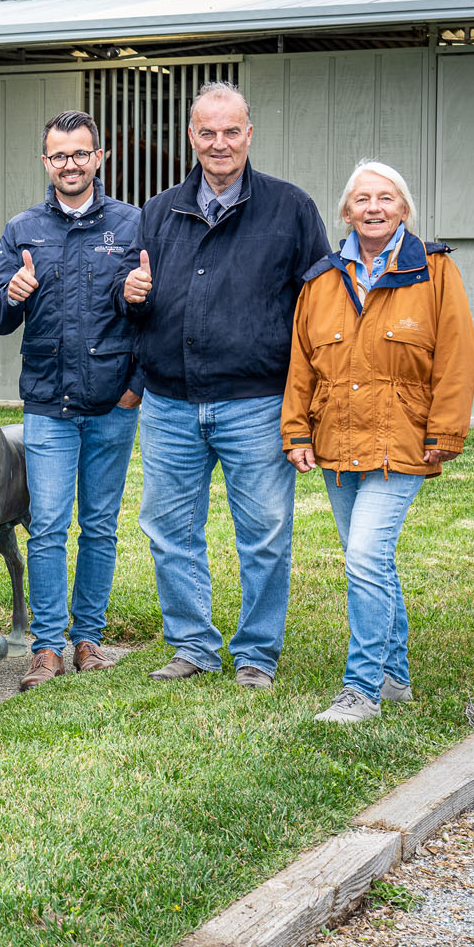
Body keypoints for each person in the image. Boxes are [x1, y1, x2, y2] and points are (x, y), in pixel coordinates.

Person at [119, 80, 330, 688]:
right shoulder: (158, 211)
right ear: (191, 136)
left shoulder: (290, 209)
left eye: (230, 131)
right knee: (169, 529)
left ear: (249, 134)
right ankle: (193, 645)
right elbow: (136, 300)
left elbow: (318, 309)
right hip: (171, 403)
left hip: (256, 403)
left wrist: (307, 401)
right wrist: (127, 295)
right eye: (206, 132)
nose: (219, 144)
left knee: (263, 533)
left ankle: (258, 654)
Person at [282, 161, 474, 723]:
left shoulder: (433, 271)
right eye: (362, 199)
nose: (373, 208)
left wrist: (444, 432)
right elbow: (301, 362)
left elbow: (457, 357)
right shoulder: (321, 278)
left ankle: (361, 688)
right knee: (372, 561)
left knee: (366, 556)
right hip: (337, 443)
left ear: (404, 209)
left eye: (386, 198)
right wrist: (296, 430)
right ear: (346, 212)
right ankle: (395, 676)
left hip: (401, 442)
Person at [0, 111, 142, 692]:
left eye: (80, 154)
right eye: (58, 155)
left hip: (110, 405)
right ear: (45, 162)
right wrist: (12, 292)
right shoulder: (23, 229)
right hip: (48, 404)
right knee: (47, 526)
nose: (70, 164)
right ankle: (47, 647)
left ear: (98, 158)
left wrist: (135, 387)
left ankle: (88, 639)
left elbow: (153, 313)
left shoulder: (131, 225)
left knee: (99, 526)